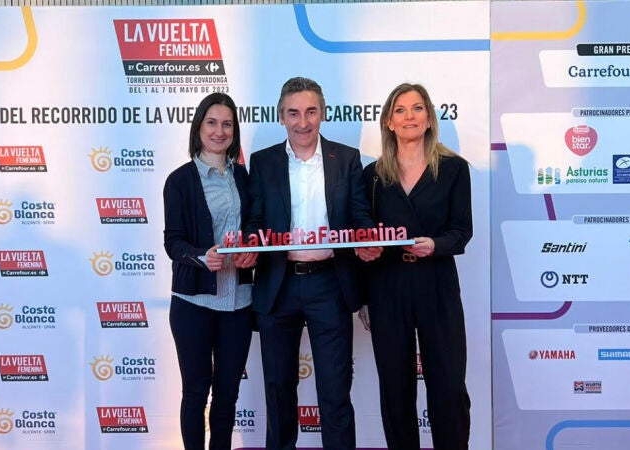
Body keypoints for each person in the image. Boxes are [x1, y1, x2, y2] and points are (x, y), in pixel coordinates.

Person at [245, 76, 380, 450]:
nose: (302, 122)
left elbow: (359, 215)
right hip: (278, 283)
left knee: (335, 392)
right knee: (278, 389)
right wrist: (251, 243)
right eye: (293, 113)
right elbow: (254, 220)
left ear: (323, 113)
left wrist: (367, 239)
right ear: (281, 116)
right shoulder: (263, 162)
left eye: (310, 112)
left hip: (329, 283)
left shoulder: (346, 158)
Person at [358, 83, 473, 450]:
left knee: (449, 386)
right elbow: (364, 240)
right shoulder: (373, 176)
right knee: (395, 388)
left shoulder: (454, 169)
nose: (410, 116)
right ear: (388, 122)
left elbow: (462, 232)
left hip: (436, 282)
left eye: (418, 108)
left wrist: (435, 245)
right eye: (401, 110)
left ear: (429, 118)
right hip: (387, 286)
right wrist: (364, 296)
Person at [163, 92, 257, 450]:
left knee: (227, 394)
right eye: (212, 123)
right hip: (194, 303)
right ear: (199, 127)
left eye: (227, 124)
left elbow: (255, 226)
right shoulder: (179, 180)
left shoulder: (244, 177)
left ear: (235, 130)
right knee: (195, 392)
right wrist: (202, 256)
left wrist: (252, 250)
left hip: (239, 302)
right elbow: (173, 242)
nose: (219, 131)